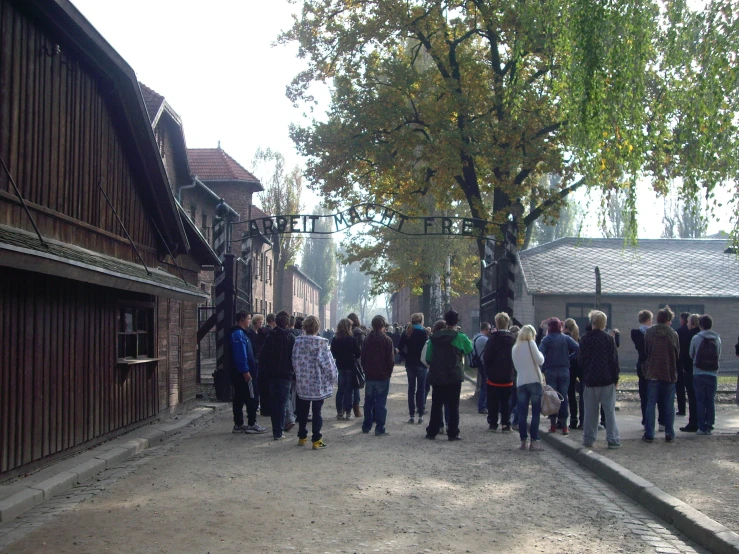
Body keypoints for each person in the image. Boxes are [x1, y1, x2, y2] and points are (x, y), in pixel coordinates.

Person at [424, 310, 473, 441]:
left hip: (437, 374)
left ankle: (432, 431)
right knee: (453, 405)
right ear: (457, 321)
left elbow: (428, 357)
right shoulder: (460, 337)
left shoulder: (434, 337)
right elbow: (469, 349)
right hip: (454, 374)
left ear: (445, 321)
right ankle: (453, 432)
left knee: (436, 404)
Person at [292, 315, 338, 449]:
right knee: (317, 412)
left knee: (302, 411)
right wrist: (333, 377)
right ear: (317, 327)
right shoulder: (321, 344)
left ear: (304, 327)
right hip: (318, 383)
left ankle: (302, 436)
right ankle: (316, 439)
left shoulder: (298, 342)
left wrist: (298, 374)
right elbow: (328, 364)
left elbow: (294, 360)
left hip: (303, 382)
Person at [579, 310, 621, 449]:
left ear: (592, 323)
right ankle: (613, 439)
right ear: (604, 323)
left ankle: (588, 439)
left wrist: (584, 376)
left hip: (591, 380)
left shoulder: (585, 339)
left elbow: (582, 361)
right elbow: (614, 361)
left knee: (590, 412)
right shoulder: (609, 339)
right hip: (607, 379)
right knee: (609, 412)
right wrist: (615, 379)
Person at [643, 306, 679, 443]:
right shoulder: (673, 334)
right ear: (668, 319)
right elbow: (677, 354)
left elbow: (646, 351)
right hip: (669, 372)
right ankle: (669, 432)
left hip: (652, 371)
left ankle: (649, 433)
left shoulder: (649, 333)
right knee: (669, 404)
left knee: (651, 402)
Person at [258, 310, 296, 440]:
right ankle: (279, 432)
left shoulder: (270, 336)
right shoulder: (290, 338)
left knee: (274, 403)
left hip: (272, 375)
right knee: (282, 402)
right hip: (285, 375)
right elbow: (294, 357)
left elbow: (263, 356)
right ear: (287, 323)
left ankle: (276, 430)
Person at [539, 317, 579, 435]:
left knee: (552, 398)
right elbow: (577, 348)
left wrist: (545, 365)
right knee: (563, 398)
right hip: (564, 370)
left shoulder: (546, 340)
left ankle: (553, 426)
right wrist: (569, 357)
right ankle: (565, 426)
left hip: (551, 370)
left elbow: (540, 354)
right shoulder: (565, 338)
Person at [230, 311, 266, 434]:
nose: (249, 321)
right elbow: (241, 354)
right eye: (248, 319)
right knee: (252, 397)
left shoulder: (240, 334)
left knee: (239, 397)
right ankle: (251, 423)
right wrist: (245, 370)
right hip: (245, 373)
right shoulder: (239, 335)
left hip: (240, 372)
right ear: (242, 319)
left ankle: (239, 424)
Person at [511, 325, 545, 451]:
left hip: (521, 382)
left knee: (522, 412)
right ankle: (534, 440)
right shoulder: (531, 343)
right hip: (534, 380)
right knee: (535, 412)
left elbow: (516, 365)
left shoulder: (515, 347)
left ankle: (523, 440)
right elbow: (540, 360)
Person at [360, 315, 395, 436]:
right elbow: (390, 359)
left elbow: (363, 357)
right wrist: (389, 372)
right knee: (381, 403)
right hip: (383, 375)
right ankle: (380, 427)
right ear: (383, 326)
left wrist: (365, 369)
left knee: (368, 401)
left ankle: (366, 425)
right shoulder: (387, 340)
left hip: (370, 374)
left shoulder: (367, 339)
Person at [689, 315, 722, 435]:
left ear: (700, 325)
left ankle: (701, 427)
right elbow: (718, 354)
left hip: (698, 373)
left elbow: (691, 354)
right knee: (710, 401)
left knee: (700, 401)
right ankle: (710, 425)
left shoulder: (696, 337)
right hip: (712, 373)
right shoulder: (717, 338)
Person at [482, 313, 515, 432]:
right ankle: (506, 424)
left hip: (494, 375)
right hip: (508, 374)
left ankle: (493, 423)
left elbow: (487, 357)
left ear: (496, 323)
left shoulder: (492, 339)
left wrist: (488, 371)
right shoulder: (512, 338)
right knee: (506, 401)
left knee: (493, 400)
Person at [631, 310, 662, 429]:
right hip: (655, 366)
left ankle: (646, 421)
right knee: (658, 395)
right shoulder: (656, 333)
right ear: (649, 320)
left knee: (644, 396)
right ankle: (661, 421)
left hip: (642, 366)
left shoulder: (636, 333)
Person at [398, 313, 430, 424]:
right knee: (421, 390)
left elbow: (400, 348)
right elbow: (427, 348)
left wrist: (406, 356)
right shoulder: (423, 332)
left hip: (410, 363)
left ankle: (411, 415)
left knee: (411, 389)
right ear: (421, 321)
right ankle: (420, 414)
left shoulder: (407, 332)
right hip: (421, 364)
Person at [330, 318, 361, 420]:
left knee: (340, 390)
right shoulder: (352, 339)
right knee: (349, 391)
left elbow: (332, 353)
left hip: (339, 366)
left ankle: (339, 412)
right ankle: (348, 413)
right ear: (348, 327)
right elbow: (358, 353)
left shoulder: (335, 339)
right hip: (350, 367)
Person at [678, 313, 701, 432]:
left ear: (692, 323)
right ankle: (704, 422)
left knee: (692, 397)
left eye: (688, 322)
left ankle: (693, 423)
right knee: (703, 398)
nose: (687, 324)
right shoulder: (703, 335)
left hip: (690, 370)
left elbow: (686, 354)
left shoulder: (689, 335)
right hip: (706, 370)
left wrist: (683, 366)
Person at [563, 318, 583, 430]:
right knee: (580, 395)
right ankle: (579, 419)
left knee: (569, 394)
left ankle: (572, 419)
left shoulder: (565, 339)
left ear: (565, 327)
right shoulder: (578, 339)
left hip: (569, 367)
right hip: (578, 366)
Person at [471, 322, 492, 415]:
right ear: (486, 329)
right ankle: (482, 406)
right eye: (489, 329)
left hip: (480, 363)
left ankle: (483, 405)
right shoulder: (484, 339)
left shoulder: (476, 337)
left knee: (484, 384)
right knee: (485, 385)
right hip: (484, 364)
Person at [347, 313, 365, 418]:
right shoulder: (361, 333)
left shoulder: (346, 333)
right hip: (358, 362)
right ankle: (356, 409)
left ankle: (346, 409)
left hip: (347, 362)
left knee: (347, 388)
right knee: (356, 386)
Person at [257, 313, 276, 416]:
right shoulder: (272, 333)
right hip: (269, 363)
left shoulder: (261, 332)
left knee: (263, 388)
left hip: (261, 362)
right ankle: (269, 409)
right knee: (269, 388)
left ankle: (264, 409)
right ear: (273, 321)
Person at [674, 312, 690, 417]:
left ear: (683, 320)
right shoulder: (694, 332)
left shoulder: (678, 332)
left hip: (680, 362)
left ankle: (682, 409)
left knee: (680, 388)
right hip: (691, 362)